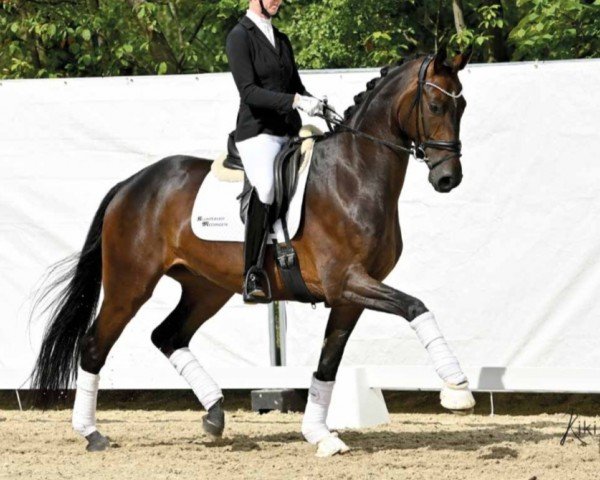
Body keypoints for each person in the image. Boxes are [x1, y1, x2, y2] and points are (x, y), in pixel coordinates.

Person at [226, 0, 323, 303]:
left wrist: (314, 102)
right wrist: (295, 101)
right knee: (266, 187)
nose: (278, 1)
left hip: (288, 131)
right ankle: (252, 272)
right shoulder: (239, 36)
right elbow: (250, 92)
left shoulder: (281, 39)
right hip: (258, 132)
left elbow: (295, 86)